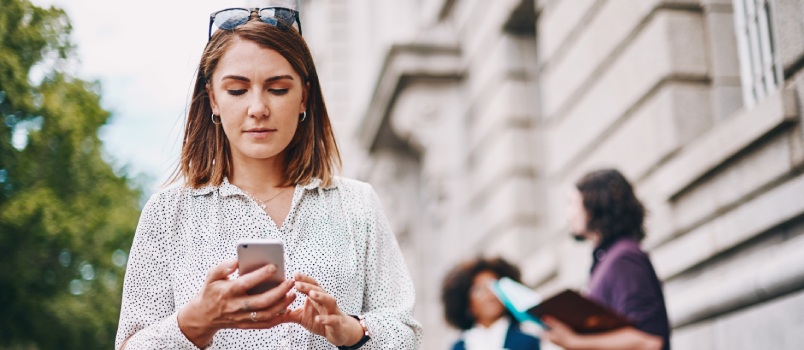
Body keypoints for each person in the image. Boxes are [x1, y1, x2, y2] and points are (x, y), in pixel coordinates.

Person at [114, 5, 421, 350]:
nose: (258, 108)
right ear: (213, 98)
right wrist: (194, 322)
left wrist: (349, 330)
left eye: (277, 89)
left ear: (303, 96)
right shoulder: (168, 213)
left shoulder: (356, 204)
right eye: (237, 90)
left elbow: (405, 333)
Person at [542, 169, 670, 350]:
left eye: (572, 203)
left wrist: (574, 342)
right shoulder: (609, 259)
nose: (569, 214)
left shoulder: (625, 259)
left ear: (593, 206)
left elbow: (649, 342)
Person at [441, 257, 541, 350]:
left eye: (494, 285)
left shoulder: (529, 336)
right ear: (468, 303)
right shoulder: (459, 347)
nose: (489, 294)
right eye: (479, 289)